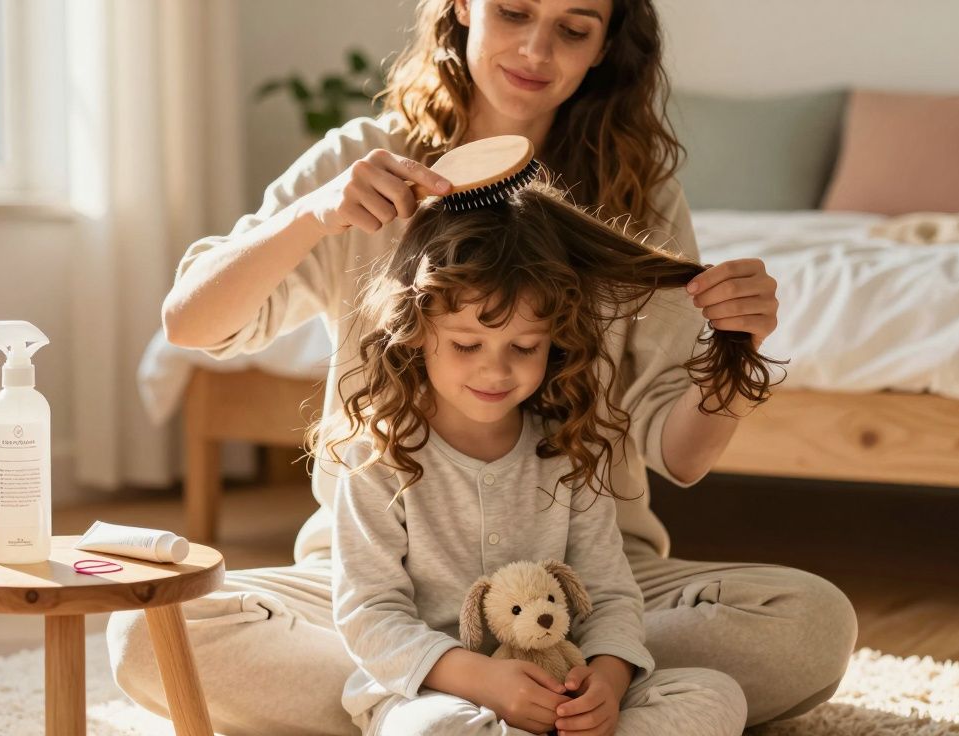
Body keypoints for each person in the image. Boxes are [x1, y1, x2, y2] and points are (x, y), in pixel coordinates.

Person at [107, 0, 857, 733]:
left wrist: (736, 351)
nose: (537, 51)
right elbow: (191, 323)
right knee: (149, 637)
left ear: (605, 45)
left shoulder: (638, 189)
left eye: (574, 28)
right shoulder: (363, 161)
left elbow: (679, 456)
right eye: (515, 13)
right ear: (462, 7)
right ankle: (461, 695)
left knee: (812, 623)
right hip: (381, 576)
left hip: (583, 587)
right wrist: (314, 214)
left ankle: (454, 704)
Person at [326, 179, 772, 735]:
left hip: (565, 679)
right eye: (467, 345)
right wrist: (485, 682)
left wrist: (606, 684)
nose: (496, 370)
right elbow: (370, 617)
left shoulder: (566, 449)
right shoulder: (378, 456)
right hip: (436, 694)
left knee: (714, 697)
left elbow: (609, 595)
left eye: (524, 346)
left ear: (554, 343)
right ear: (415, 331)